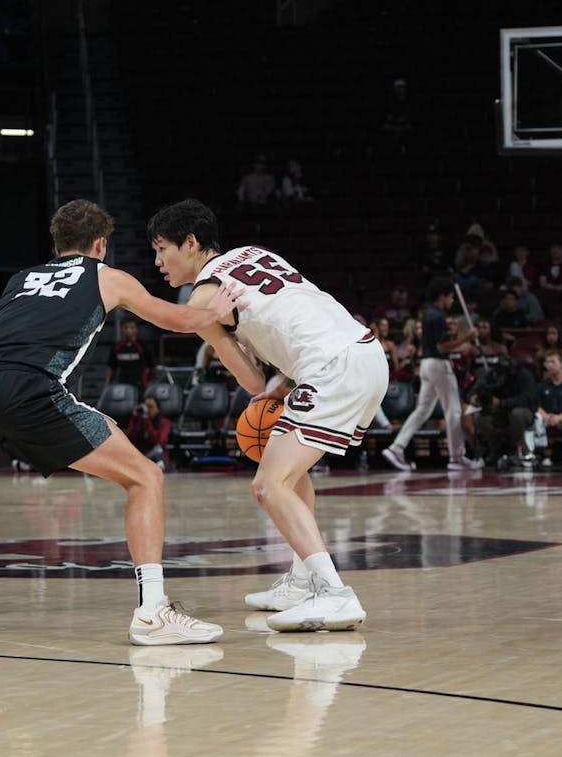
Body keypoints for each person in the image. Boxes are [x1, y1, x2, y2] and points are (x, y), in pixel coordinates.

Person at [0, 200, 244, 645]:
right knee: (146, 478)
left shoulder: (21, 278)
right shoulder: (107, 276)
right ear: (100, 244)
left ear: (57, 245)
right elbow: (176, 319)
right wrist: (219, 308)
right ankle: (153, 611)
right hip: (28, 389)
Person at [148, 198, 382, 632]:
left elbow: (253, 384)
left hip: (331, 368)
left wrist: (221, 340)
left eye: (162, 248)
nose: (158, 260)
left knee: (268, 486)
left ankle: (335, 595)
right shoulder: (254, 254)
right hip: (364, 352)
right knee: (290, 476)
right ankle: (301, 579)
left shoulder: (204, 296)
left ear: (191, 242)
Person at [381, 282, 482, 473]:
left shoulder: (427, 315)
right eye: (450, 296)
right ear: (441, 296)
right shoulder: (438, 316)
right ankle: (457, 457)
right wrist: (466, 338)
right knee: (453, 411)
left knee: (423, 410)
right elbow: (442, 347)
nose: (452, 300)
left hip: (426, 365)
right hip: (438, 364)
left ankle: (396, 448)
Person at [105, 318, 154, 389]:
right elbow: (111, 367)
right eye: (126, 327)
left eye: (132, 327)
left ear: (136, 329)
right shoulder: (117, 347)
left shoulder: (143, 346)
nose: (129, 330)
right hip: (122, 383)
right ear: (122, 329)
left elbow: (152, 366)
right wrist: (107, 384)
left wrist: (148, 382)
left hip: (140, 384)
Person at [126, 396, 171, 467]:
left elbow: (159, 441)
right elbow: (128, 439)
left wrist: (147, 422)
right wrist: (134, 420)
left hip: (156, 457)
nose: (147, 410)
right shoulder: (139, 421)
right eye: (146, 407)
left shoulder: (164, 422)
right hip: (141, 456)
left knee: (157, 453)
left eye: (150, 407)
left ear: (158, 409)